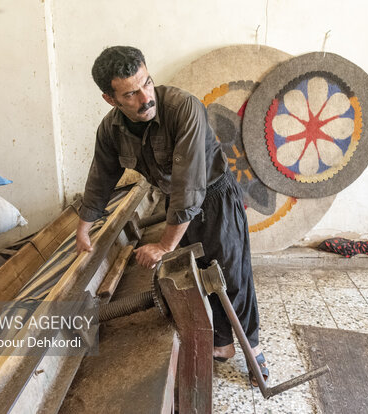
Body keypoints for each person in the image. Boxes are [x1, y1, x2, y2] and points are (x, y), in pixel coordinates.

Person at [76, 46, 267, 386]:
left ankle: (253, 349)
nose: (145, 97)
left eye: (147, 83)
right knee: (197, 275)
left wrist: (164, 245)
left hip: (213, 195)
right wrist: (84, 229)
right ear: (110, 99)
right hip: (179, 201)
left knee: (231, 275)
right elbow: (100, 178)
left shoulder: (183, 107)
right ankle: (222, 344)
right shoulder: (111, 130)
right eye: (131, 94)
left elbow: (190, 186)